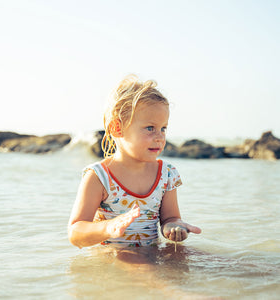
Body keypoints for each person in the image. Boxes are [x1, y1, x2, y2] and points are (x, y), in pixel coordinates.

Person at [68, 75, 201, 250]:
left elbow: (170, 218)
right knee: (151, 275)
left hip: (152, 253)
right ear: (117, 128)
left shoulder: (166, 173)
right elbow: (75, 233)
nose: (160, 137)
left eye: (163, 128)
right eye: (150, 128)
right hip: (115, 258)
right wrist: (108, 227)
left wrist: (173, 227)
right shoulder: (99, 177)